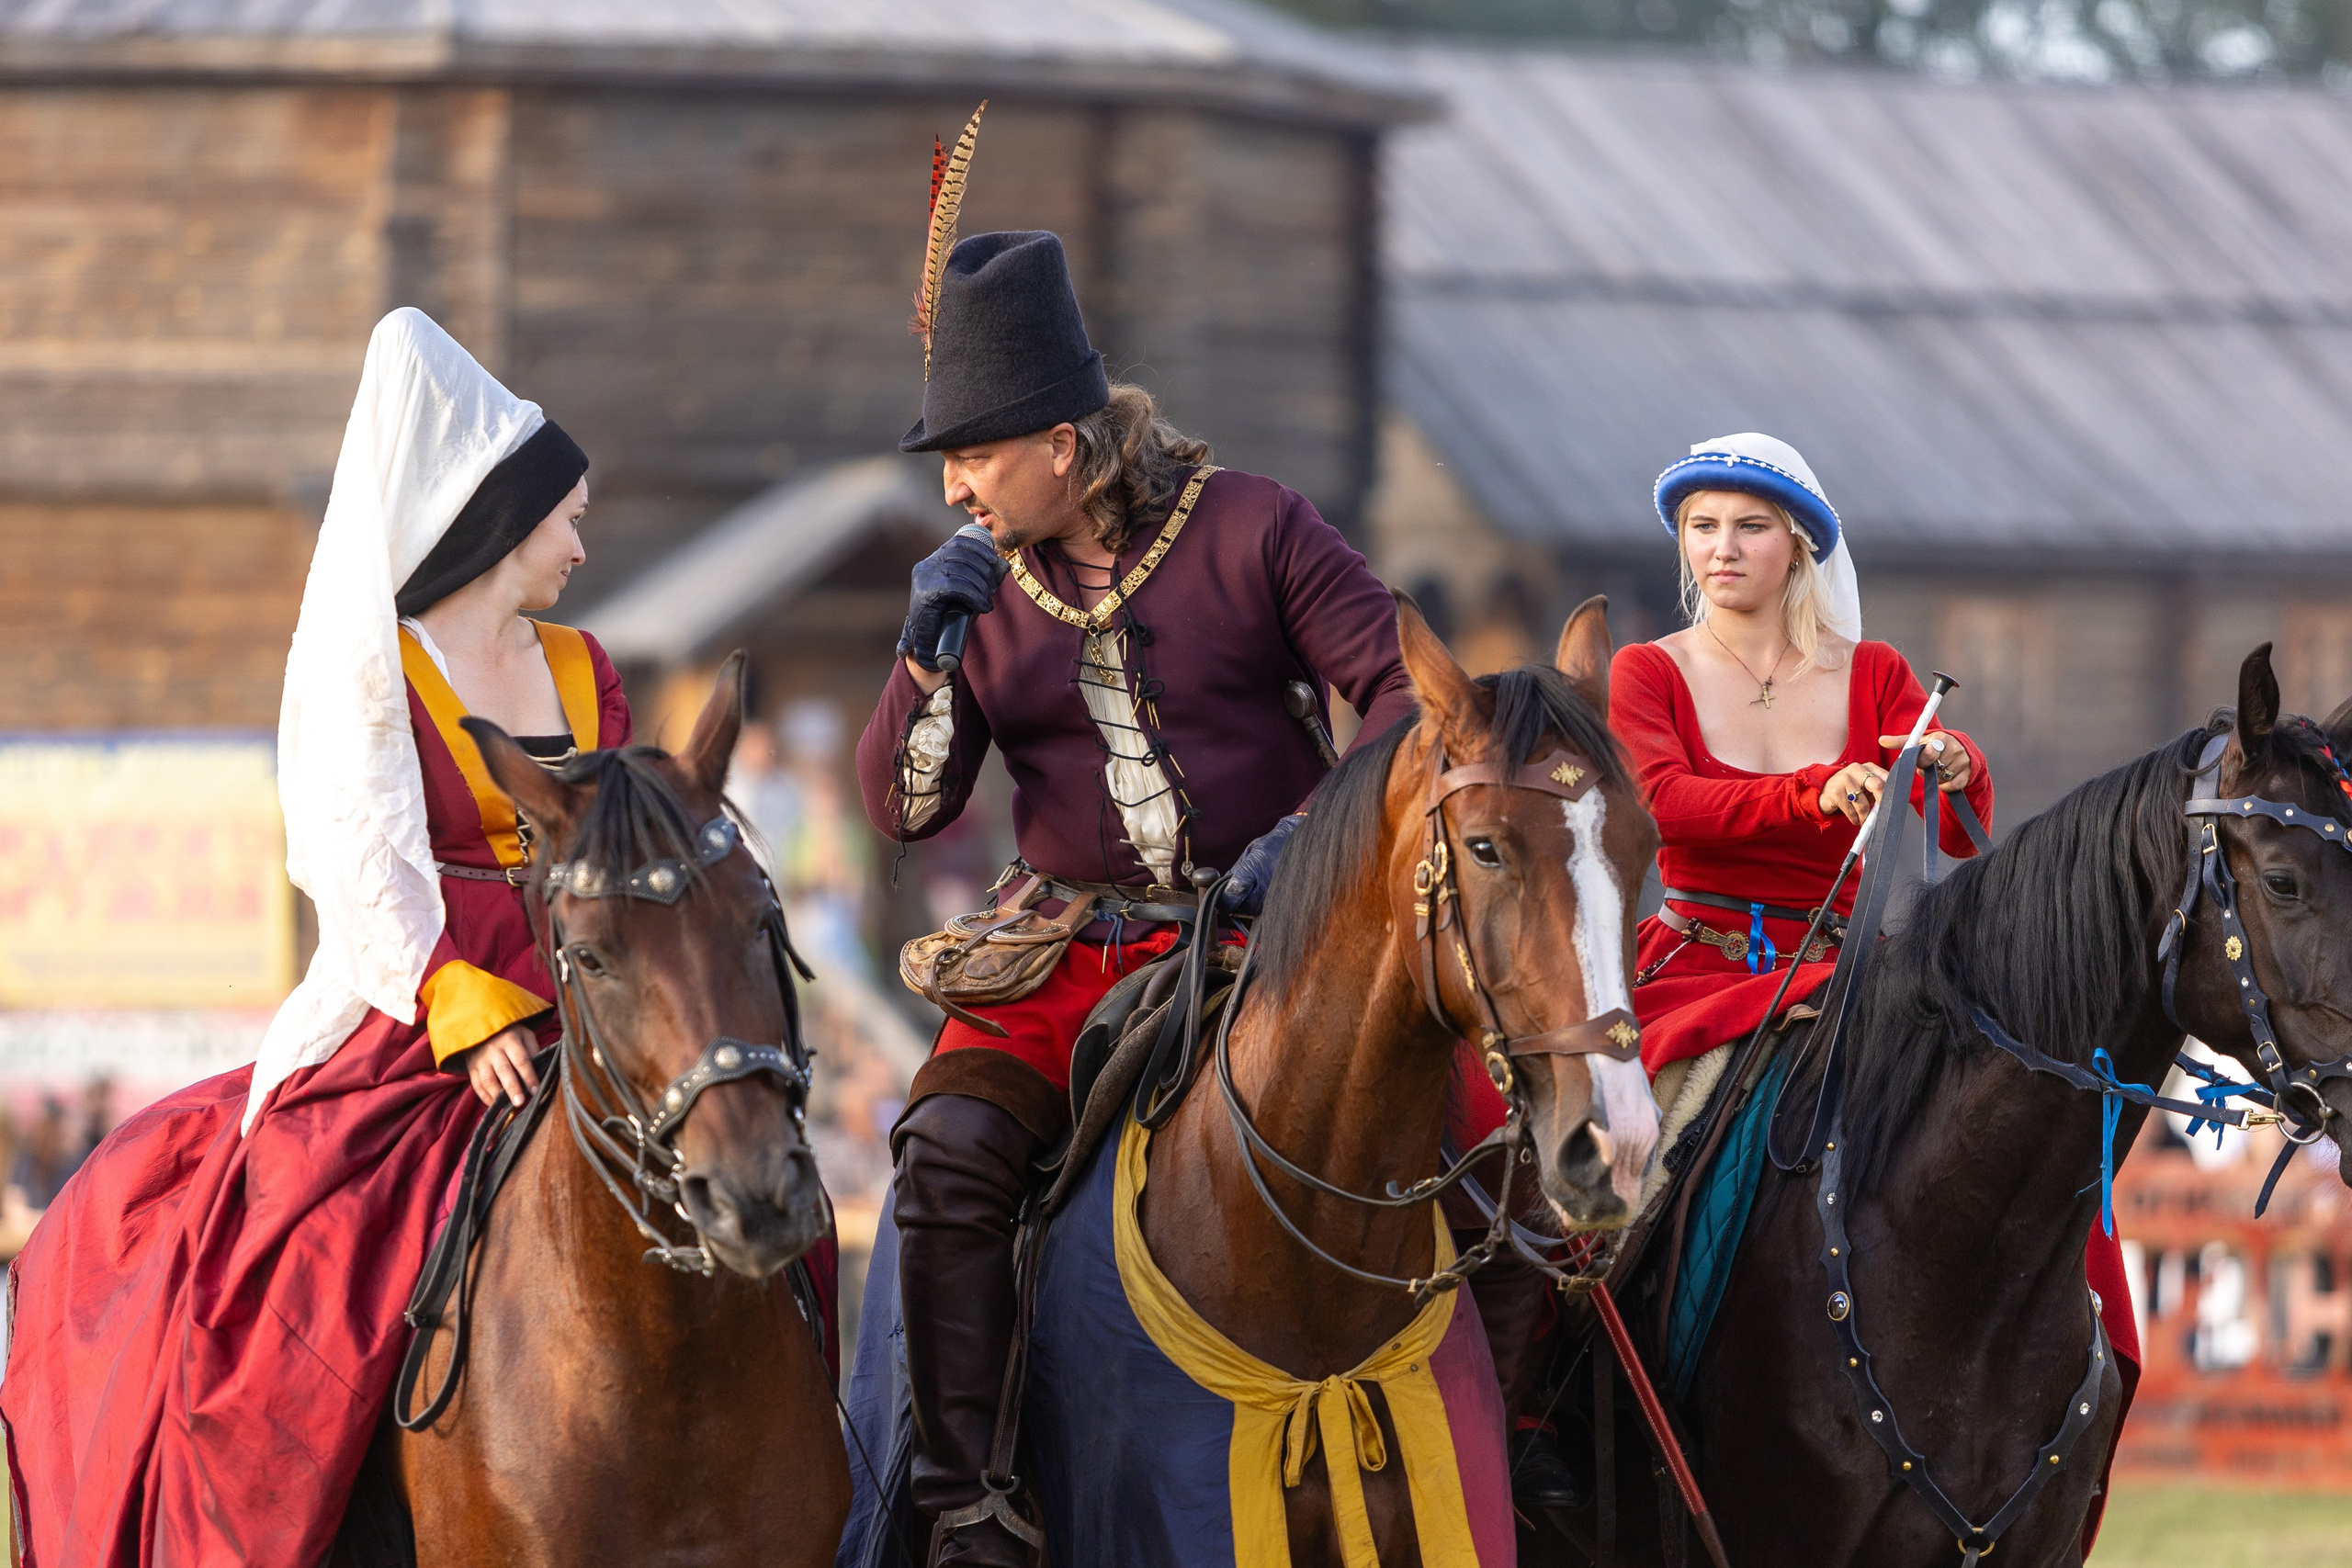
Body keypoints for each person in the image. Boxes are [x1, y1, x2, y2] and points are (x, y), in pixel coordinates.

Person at [850, 222, 1453, 1565]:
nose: (953, 485)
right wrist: (924, 662)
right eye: (944, 458)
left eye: (975, 453)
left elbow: (1412, 684)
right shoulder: (973, 590)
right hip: (1065, 950)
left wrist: (1314, 835)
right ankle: (964, 1502)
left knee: (1487, 1124)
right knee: (944, 1155)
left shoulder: (1253, 523)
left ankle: (1528, 1449)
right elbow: (905, 806)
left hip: (1277, 940)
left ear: (1063, 444)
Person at [0, 307, 630, 1568]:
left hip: (592, 992)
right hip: (422, 1012)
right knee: (319, 1256)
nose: (580, 534)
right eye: (565, 510)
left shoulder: (584, 664)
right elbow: (356, 857)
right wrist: (457, 1002)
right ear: (502, 521)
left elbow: (620, 843)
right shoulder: (376, 667)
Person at [1607, 431, 2137, 1547]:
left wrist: (1955, 768)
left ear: (1798, 543)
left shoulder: (1879, 673)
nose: (1721, 548)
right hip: (1699, 975)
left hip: (1857, 982)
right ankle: (1582, 1400)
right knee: (1624, 1170)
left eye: (1747, 526)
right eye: (1701, 527)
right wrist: (1810, 795)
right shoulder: (1646, 671)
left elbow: (1950, 832)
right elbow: (1662, 804)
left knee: (2024, 1148)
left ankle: (2077, 1390)